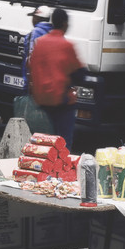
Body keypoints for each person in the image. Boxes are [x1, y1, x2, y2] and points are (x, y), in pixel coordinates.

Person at [28, 8, 84, 149]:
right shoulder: (66, 45)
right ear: (65, 24)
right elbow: (78, 74)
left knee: (44, 142)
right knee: (64, 142)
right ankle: (60, 169)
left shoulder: (40, 43)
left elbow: (31, 66)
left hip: (42, 101)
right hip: (62, 101)